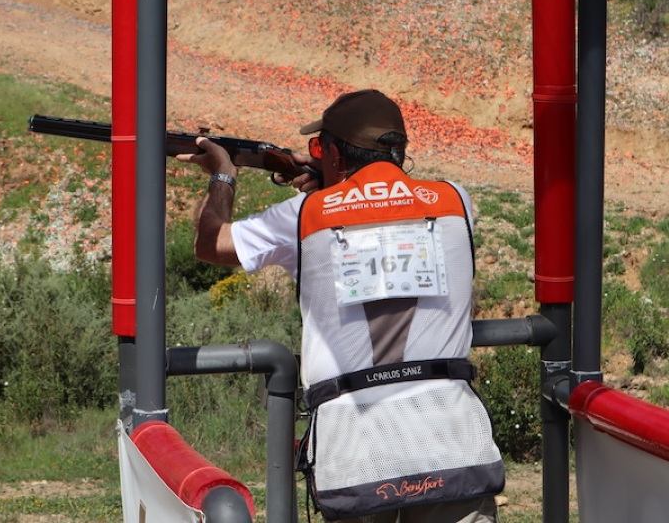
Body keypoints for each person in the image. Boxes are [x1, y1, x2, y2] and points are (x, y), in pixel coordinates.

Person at [177, 89, 504, 523]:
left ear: (331, 152)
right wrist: (337, 179)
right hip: (452, 437)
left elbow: (210, 243)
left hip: (357, 450)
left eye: (319, 147)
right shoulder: (455, 201)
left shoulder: (305, 213)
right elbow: (386, 207)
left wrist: (223, 172)